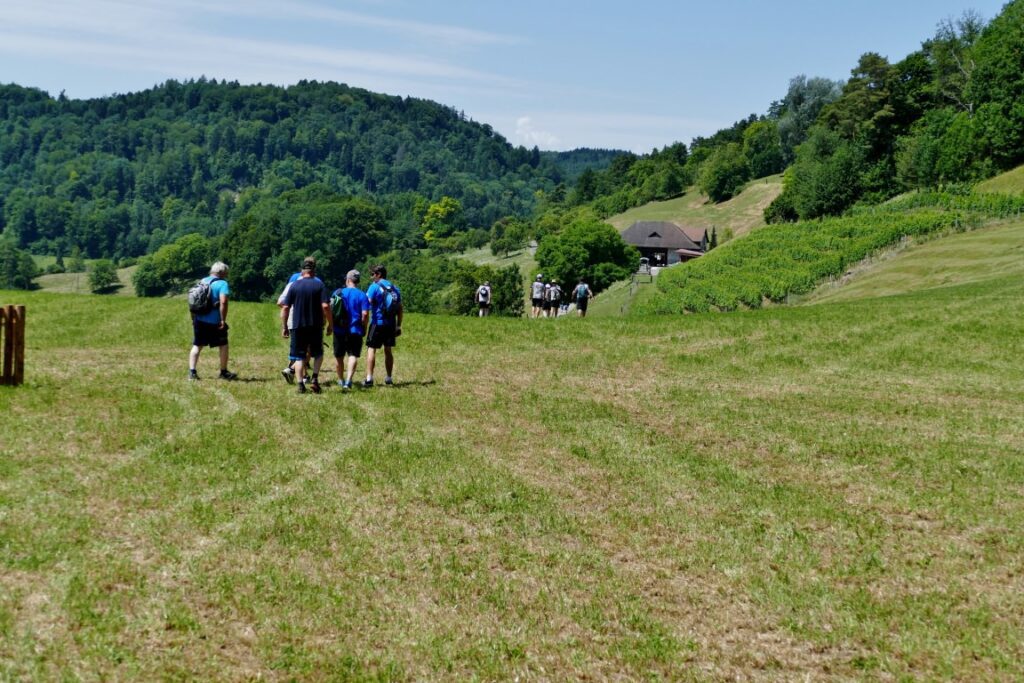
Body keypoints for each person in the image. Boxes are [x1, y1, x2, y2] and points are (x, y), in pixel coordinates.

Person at [280, 257, 332, 394]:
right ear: (313, 271)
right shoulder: (319, 285)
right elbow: (326, 306)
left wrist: (285, 326)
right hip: (315, 325)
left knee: (299, 356)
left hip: (298, 325)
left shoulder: (294, 285)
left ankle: (300, 385)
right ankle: (314, 378)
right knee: (318, 353)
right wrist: (330, 324)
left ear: (302, 271)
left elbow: (285, 307)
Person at [188, 261, 237, 381]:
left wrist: (193, 317)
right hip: (215, 321)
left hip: (199, 319)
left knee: (197, 345)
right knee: (223, 345)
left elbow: (193, 300)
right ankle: (223, 372)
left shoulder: (202, 281)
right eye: (226, 273)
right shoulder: (222, 284)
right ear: (222, 273)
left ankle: (192, 372)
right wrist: (222, 320)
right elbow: (223, 302)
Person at [278, 269, 322, 384]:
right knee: (306, 351)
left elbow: (281, 302)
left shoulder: (293, 281)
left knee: (299, 350)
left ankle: (297, 374)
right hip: (307, 320)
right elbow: (324, 305)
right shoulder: (317, 282)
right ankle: (295, 372)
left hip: (295, 320)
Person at [364, 264, 402, 387]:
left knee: (371, 349)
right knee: (388, 350)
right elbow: (400, 309)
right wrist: (398, 325)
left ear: (378, 274)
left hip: (377, 323)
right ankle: (389, 377)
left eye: (372, 274)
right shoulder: (394, 288)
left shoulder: (374, 287)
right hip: (390, 324)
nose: (371, 277)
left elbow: (366, 303)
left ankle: (369, 379)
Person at [331, 269, 370, 390]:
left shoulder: (338, 292)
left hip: (339, 329)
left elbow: (331, 310)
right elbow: (365, 314)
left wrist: (330, 325)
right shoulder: (362, 295)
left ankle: (341, 380)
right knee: (353, 355)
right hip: (355, 330)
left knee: (339, 356)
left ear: (347, 280)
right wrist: (364, 327)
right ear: (357, 281)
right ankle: (348, 381)